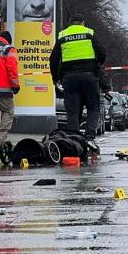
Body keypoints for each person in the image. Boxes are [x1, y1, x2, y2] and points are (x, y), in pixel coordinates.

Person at [49, 14, 110, 153]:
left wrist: (55, 77)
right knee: (93, 107)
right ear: (82, 23)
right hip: (89, 76)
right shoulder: (89, 33)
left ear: (70, 23)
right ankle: (89, 138)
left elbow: (53, 59)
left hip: (69, 78)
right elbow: (101, 52)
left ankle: (73, 141)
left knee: (72, 111)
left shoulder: (62, 35)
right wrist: (97, 63)